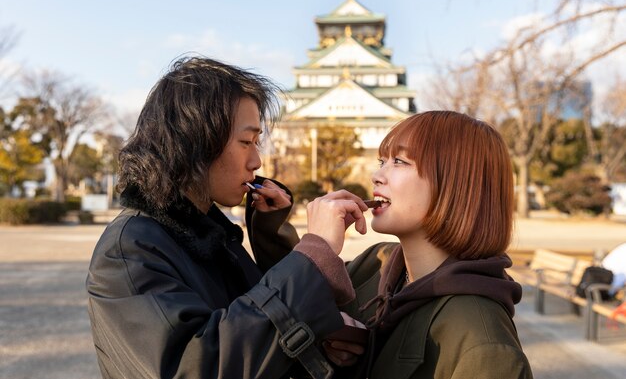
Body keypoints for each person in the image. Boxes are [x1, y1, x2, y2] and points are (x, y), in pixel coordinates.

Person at [85, 56, 366, 379]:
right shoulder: (129, 250)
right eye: (246, 142)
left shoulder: (210, 234)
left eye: (257, 143)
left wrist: (270, 236)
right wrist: (313, 254)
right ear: (196, 141)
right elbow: (199, 367)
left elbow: (259, 329)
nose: (257, 161)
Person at [297, 111, 534, 378]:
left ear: (454, 185)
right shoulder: (375, 264)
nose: (377, 175)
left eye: (399, 161)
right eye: (382, 161)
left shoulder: (485, 346)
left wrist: (316, 248)